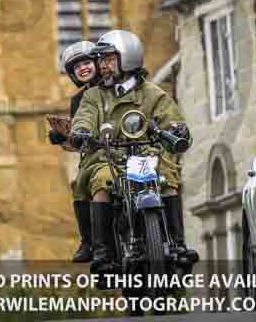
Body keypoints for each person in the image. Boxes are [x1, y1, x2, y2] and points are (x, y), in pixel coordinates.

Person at [70, 30, 194, 270]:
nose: (102, 66)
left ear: (127, 58)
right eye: (101, 60)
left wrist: (177, 129)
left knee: (167, 177)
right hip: (107, 156)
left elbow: (170, 116)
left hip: (146, 153)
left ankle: (178, 244)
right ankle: (103, 254)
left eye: (108, 59)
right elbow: (85, 116)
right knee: (102, 181)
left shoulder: (152, 92)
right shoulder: (94, 95)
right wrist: (82, 131)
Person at [49, 40, 99, 262]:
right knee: (80, 184)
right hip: (98, 156)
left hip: (131, 150)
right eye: (76, 66)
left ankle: (171, 239)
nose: (83, 68)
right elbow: (78, 134)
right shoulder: (78, 100)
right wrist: (62, 135)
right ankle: (89, 242)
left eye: (87, 62)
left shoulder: (116, 86)